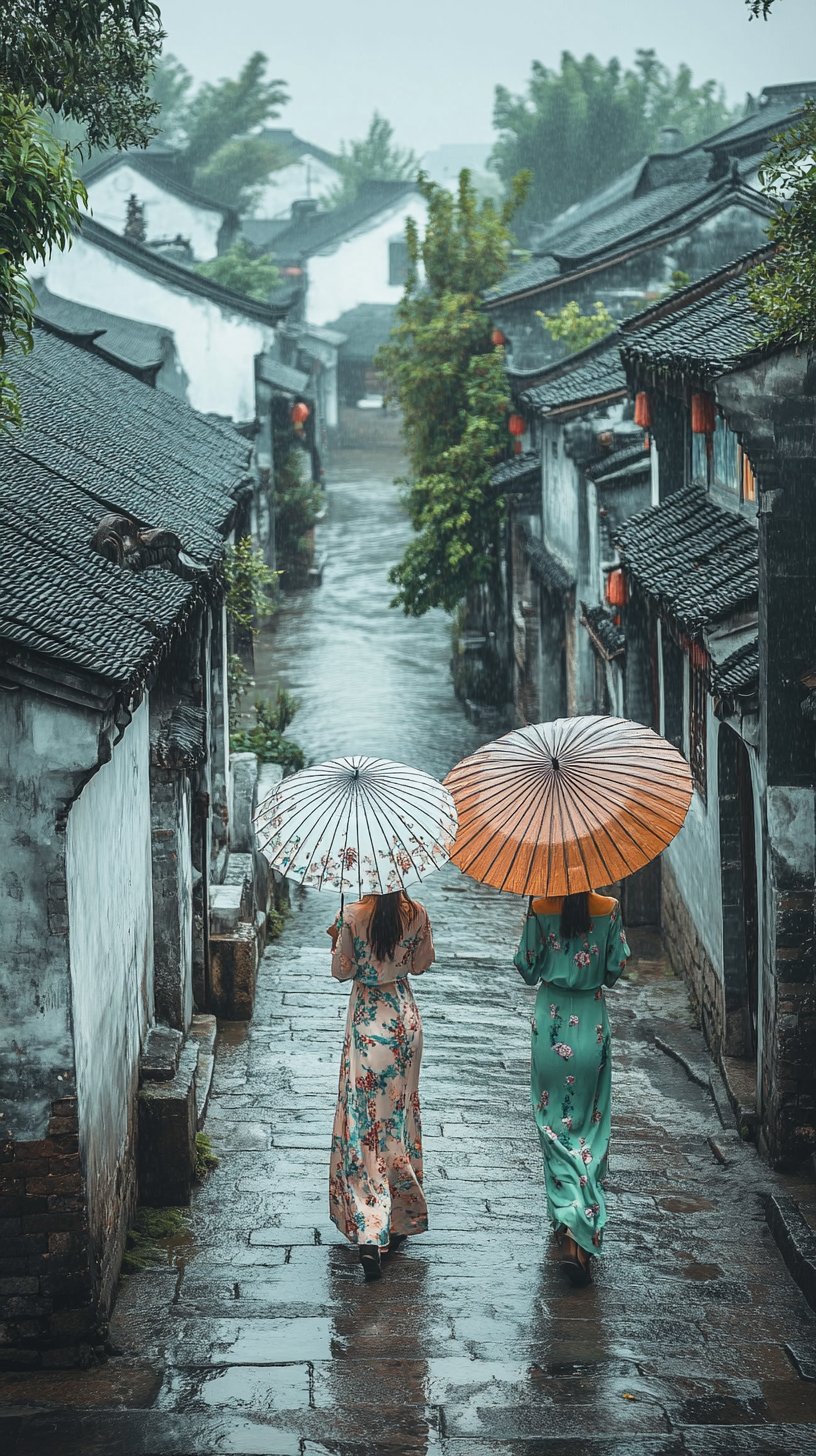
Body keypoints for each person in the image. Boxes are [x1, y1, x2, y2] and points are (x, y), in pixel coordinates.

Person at [513, 889, 630, 1286]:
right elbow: (614, 969)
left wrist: (532, 917)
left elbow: (527, 968)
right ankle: (580, 1227)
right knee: (590, 1128)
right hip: (591, 1023)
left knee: (553, 1126)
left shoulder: (540, 907)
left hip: (552, 1024)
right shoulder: (609, 909)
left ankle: (568, 1217)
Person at [328, 889, 434, 1281]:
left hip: (368, 1022)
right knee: (397, 1120)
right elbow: (421, 965)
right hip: (404, 1020)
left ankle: (371, 1227)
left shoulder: (352, 914)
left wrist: (339, 938)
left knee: (365, 1124)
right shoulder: (416, 912)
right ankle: (398, 1214)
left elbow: (341, 971)